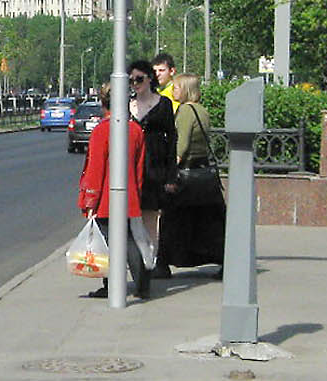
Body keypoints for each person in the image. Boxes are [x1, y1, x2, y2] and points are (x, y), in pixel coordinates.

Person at [76, 82, 152, 299]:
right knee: (131, 240)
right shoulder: (136, 130)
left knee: (109, 244)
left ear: (103, 103)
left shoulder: (101, 131)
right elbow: (139, 169)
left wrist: (89, 200)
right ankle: (142, 284)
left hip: (106, 200)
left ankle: (111, 286)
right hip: (130, 197)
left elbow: (95, 169)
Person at [158, 72, 226, 273]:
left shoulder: (186, 110)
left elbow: (182, 144)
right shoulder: (202, 110)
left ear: (186, 89)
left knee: (171, 220)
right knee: (208, 222)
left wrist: (170, 171)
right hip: (202, 174)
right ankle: (224, 261)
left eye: (176, 87)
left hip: (186, 175)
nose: (173, 91)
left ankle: (162, 265)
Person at [128, 58, 176, 278]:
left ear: (150, 79)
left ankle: (150, 262)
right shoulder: (126, 105)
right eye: (132, 80)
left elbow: (172, 139)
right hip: (131, 166)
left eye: (139, 79)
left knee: (150, 217)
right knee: (130, 216)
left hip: (155, 166)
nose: (135, 84)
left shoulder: (163, 104)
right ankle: (136, 263)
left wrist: (171, 176)